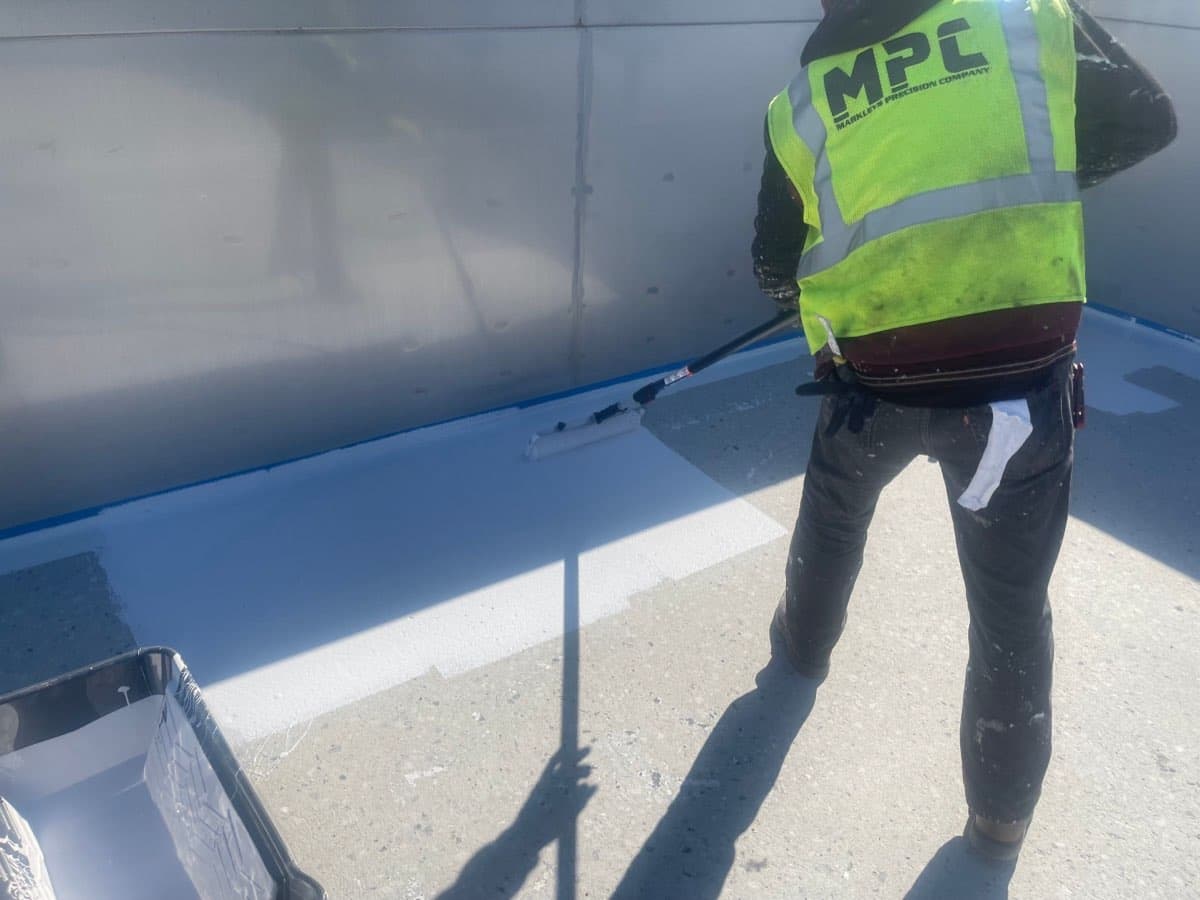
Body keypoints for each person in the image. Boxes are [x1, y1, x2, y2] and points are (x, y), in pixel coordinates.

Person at [754, 0, 1176, 862]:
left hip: (872, 379)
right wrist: (1020, 189)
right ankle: (1001, 819)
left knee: (833, 513)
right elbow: (1145, 122)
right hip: (1015, 384)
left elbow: (773, 268)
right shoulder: (1028, 16)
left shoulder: (801, 103)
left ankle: (802, 648)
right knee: (1011, 609)